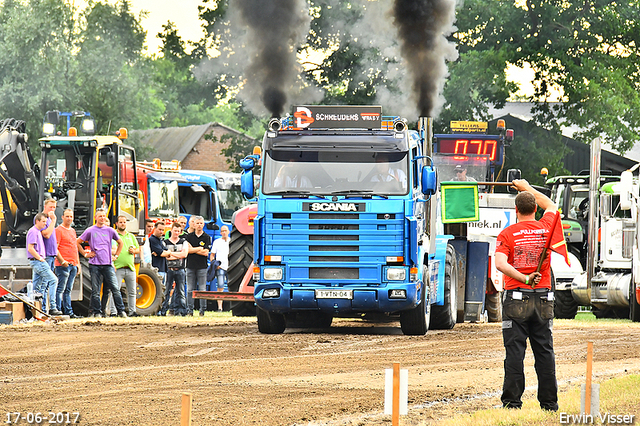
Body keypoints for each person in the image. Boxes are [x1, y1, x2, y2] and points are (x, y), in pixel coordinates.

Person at [495, 179, 558, 412]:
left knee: (515, 353)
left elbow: (500, 263)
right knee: (544, 351)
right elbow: (551, 205)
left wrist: (522, 278)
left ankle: (512, 404)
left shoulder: (507, 234)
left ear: (516, 211)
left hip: (516, 298)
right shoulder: (547, 227)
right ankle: (549, 404)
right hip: (544, 298)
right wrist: (527, 186)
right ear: (535, 209)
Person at [77, 208, 127, 318]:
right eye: (100, 216)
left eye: (104, 216)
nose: (102, 218)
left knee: (115, 288)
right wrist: (85, 254)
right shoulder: (90, 230)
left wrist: (116, 255)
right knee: (95, 290)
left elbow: (120, 242)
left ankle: (121, 311)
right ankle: (97, 312)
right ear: (95, 218)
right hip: (94, 264)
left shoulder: (110, 230)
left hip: (108, 264)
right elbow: (78, 242)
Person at [34, 198, 67, 315]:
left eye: (54, 207)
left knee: (47, 284)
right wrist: (53, 221)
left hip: (52, 255)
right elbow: (46, 235)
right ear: (45, 206)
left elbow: (54, 243)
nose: (52, 210)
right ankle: (46, 309)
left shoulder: (50, 220)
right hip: (45, 256)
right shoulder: (43, 220)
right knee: (45, 283)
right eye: (50, 207)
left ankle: (45, 308)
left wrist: (61, 259)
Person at [27, 213, 59, 315]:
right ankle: (53, 307)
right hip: (38, 261)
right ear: (37, 221)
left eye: (46, 221)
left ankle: (36, 311)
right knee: (53, 280)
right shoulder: (33, 232)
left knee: (36, 288)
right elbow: (30, 248)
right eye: (43, 222)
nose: (45, 224)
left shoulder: (38, 232)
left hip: (37, 261)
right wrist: (40, 258)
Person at [54, 209, 82, 318]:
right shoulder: (58, 230)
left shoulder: (73, 231)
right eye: (67, 216)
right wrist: (62, 261)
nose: (69, 218)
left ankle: (69, 312)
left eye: (71, 216)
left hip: (73, 264)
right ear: (62, 217)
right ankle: (58, 310)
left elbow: (75, 248)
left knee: (68, 290)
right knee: (60, 289)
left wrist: (78, 264)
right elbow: (55, 248)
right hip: (63, 265)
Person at [158, 222, 189, 316]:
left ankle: (182, 311)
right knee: (166, 291)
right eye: (175, 230)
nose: (176, 233)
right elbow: (165, 256)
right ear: (171, 230)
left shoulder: (183, 242)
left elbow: (184, 255)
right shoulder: (165, 242)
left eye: (178, 231)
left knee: (181, 291)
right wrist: (177, 255)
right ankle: (163, 310)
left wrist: (170, 253)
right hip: (169, 269)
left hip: (180, 269)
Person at [113, 215, 140, 317]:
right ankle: (114, 312)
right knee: (115, 291)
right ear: (117, 224)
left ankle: (132, 311)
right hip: (118, 267)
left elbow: (138, 249)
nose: (123, 224)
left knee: (132, 292)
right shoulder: (114, 235)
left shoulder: (131, 236)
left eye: (124, 222)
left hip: (130, 268)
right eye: (121, 222)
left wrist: (134, 251)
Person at [185, 215, 211, 316]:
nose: (199, 225)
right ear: (194, 225)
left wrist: (194, 249)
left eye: (201, 223)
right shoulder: (189, 237)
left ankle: (202, 310)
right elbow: (188, 250)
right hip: (190, 266)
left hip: (202, 267)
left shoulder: (207, 237)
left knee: (202, 289)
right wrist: (199, 248)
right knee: (190, 289)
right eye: (197, 223)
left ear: (203, 225)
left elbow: (206, 253)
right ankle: (190, 310)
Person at [210, 225, 230, 312]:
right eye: (222, 231)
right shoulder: (217, 242)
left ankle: (230, 306)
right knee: (220, 286)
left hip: (230, 267)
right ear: (220, 232)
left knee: (231, 287)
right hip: (220, 267)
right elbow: (212, 255)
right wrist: (214, 264)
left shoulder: (232, 241)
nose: (224, 232)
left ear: (228, 231)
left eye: (225, 230)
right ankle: (220, 307)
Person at [149, 221, 170, 288]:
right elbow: (162, 253)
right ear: (155, 228)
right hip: (156, 269)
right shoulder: (152, 240)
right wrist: (164, 253)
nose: (161, 232)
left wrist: (167, 252)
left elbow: (167, 252)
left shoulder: (160, 240)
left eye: (163, 230)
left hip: (163, 268)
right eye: (160, 229)